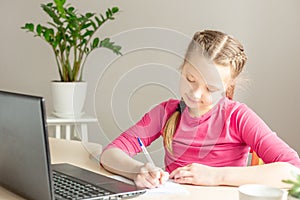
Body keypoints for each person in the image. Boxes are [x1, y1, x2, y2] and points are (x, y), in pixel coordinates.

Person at [100, 30, 300, 189]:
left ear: (227, 87)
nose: (195, 94)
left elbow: (294, 171)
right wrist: (137, 170)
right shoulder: (165, 112)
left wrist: (216, 175)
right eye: (190, 79)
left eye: (210, 89)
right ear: (182, 67)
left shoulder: (238, 117)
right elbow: (110, 154)